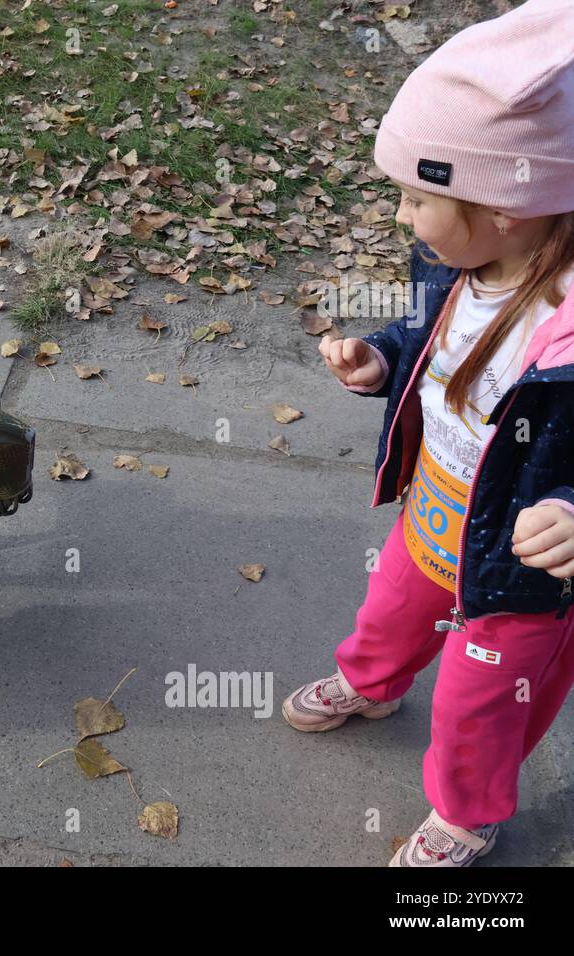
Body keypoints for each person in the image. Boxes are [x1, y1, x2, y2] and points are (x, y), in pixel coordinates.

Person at [284, 0, 574, 865]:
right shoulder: (457, 260)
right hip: (435, 512)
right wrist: (382, 357)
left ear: (507, 204)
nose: (405, 217)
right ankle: (372, 686)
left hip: (523, 570)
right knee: (388, 614)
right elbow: (427, 337)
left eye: (419, 195)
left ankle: (467, 809)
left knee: (476, 705)